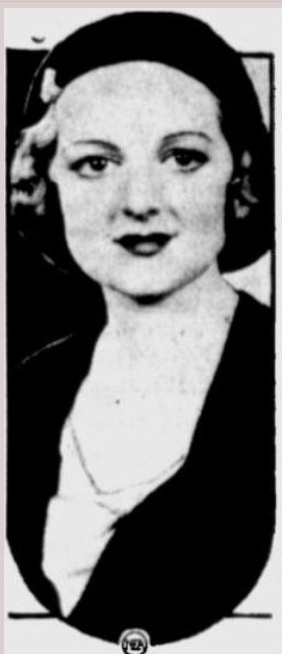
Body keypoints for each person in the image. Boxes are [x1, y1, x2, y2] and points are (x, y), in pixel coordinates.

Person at [8, 11, 275, 646]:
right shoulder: (29, 385)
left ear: (237, 175)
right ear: (46, 181)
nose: (138, 202)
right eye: (96, 163)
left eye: (182, 157)